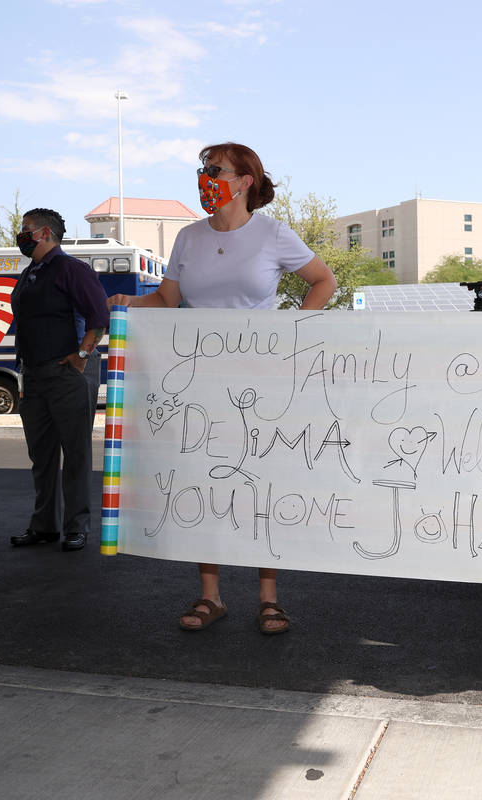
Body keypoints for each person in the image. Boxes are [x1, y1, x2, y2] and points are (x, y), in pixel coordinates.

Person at [110, 142, 337, 634]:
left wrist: (292, 332)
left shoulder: (274, 234)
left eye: (215, 170)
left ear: (244, 181)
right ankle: (211, 596)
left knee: (260, 484)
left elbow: (323, 281)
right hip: (200, 383)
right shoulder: (189, 238)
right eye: (202, 170)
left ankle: (269, 598)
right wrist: (129, 301)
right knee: (205, 480)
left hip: (261, 383)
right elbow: (169, 298)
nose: (205, 178)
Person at [8, 208, 110, 552]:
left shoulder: (71, 270)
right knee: (42, 456)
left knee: (76, 455)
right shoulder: (30, 274)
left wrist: (82, 356)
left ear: (46, 233)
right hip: (35, 376)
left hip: (67, 374)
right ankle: (44, 526)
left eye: (26, 230)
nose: (21, 235)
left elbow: (99, 316)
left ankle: (75, 527)